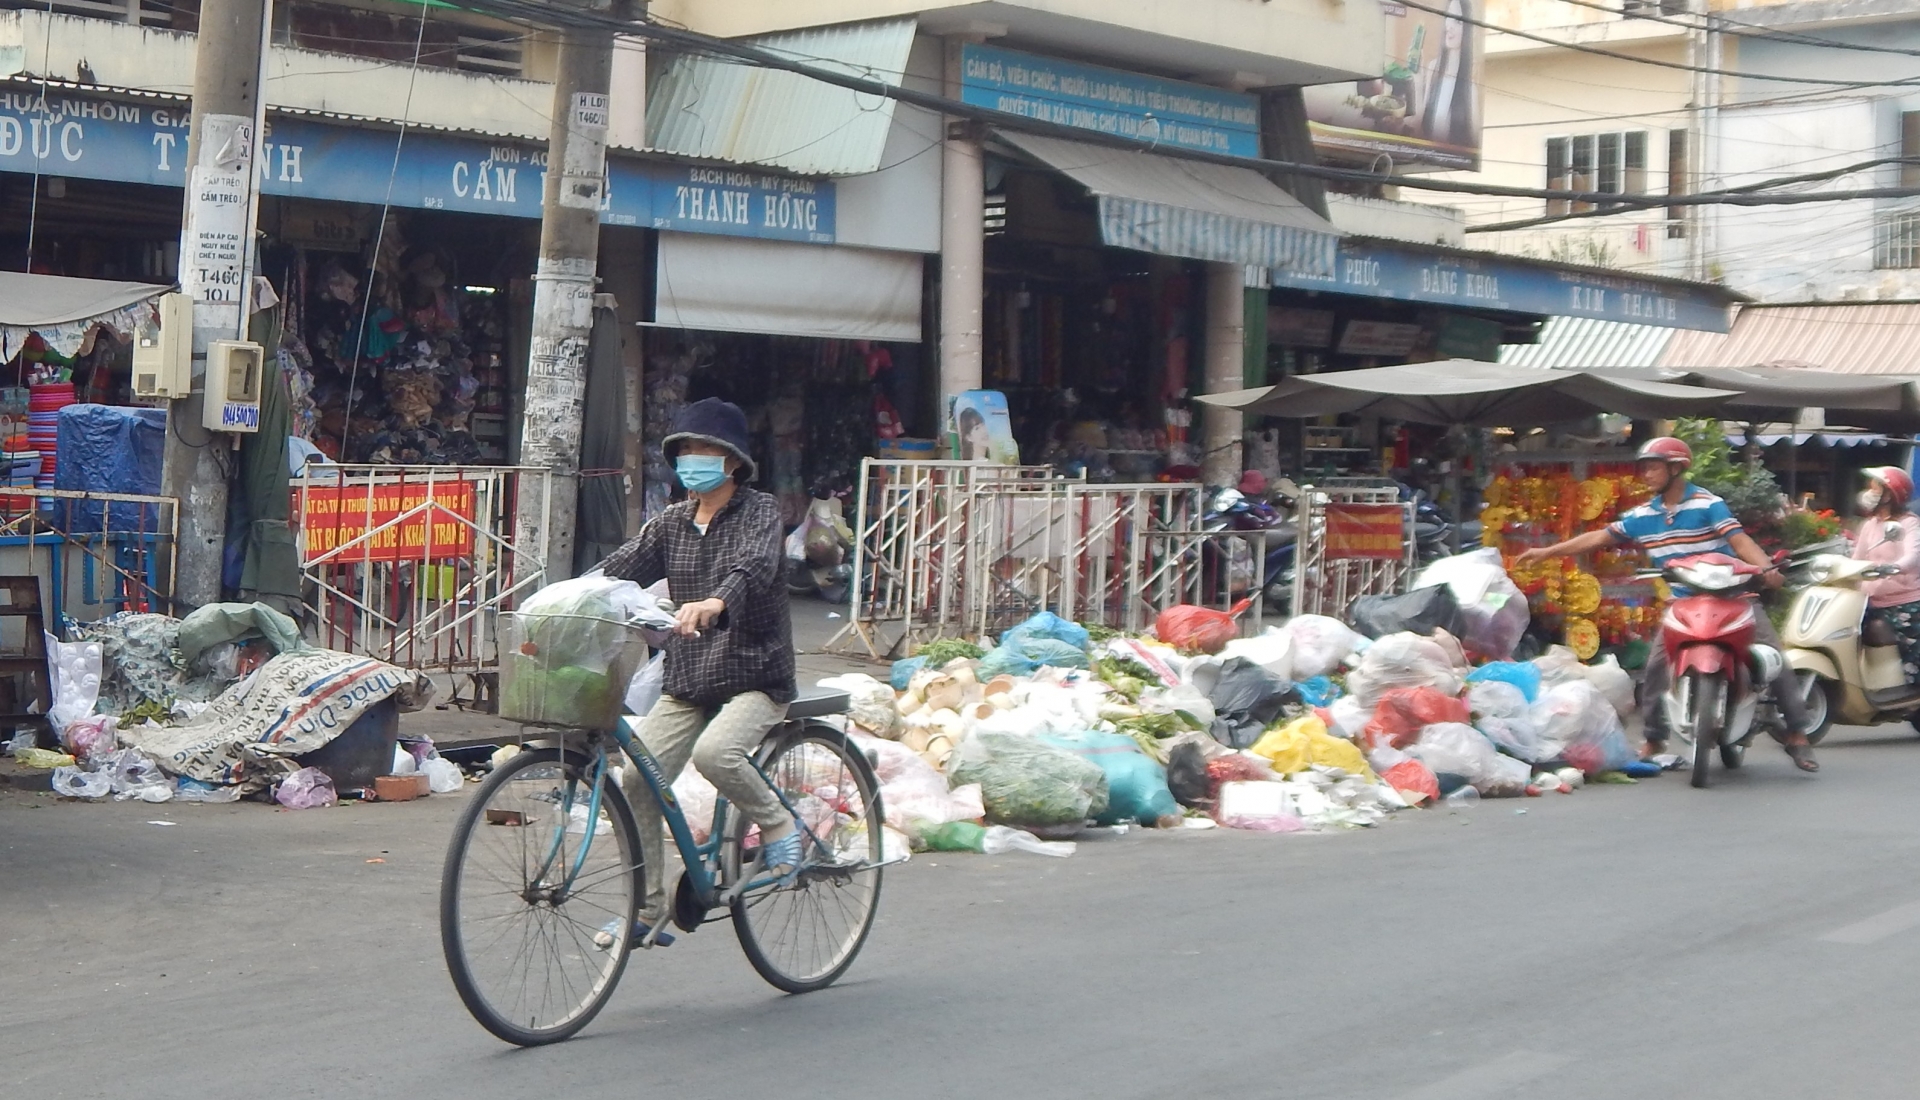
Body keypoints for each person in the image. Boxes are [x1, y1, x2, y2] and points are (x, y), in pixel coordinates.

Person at [594, 398, 800, 947]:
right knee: (637, 774)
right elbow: (617, 570)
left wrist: (714, 601)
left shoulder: (760, 512)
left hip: (756, 673)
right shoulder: (672, 523)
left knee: (717, 754)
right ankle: (648, 908)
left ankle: (778, 824)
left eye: (706, 450)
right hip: (690, 677)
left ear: (732, 462)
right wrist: (564, 600)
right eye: (685, 450)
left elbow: (752, 568)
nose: (693, 459)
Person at [1514, 437, 1818, 772]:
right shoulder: (1643, 515)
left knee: (1774, 658)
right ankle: (1654, 738)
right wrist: (1546, 552)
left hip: (1734, 597)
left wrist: (1765, 569)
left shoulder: (1708, 504)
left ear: (1676, 468)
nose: (1646, 474)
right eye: (1643, 468)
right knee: (1656, 668)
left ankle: (1797, 734)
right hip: (1685, 605)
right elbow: (1599, 537)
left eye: (1653, 467)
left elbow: (1739, 540)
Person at [1849, 466, 1920, 680]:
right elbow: (1857, 559)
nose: (1869, 490)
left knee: (1911, 658)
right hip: (1870, 600)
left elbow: (1913, 555)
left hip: (1903, 602)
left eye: (1875, 486)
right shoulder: (1869, 525)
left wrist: (1895, 567)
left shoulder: (1908, 523)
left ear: (1889, 494)